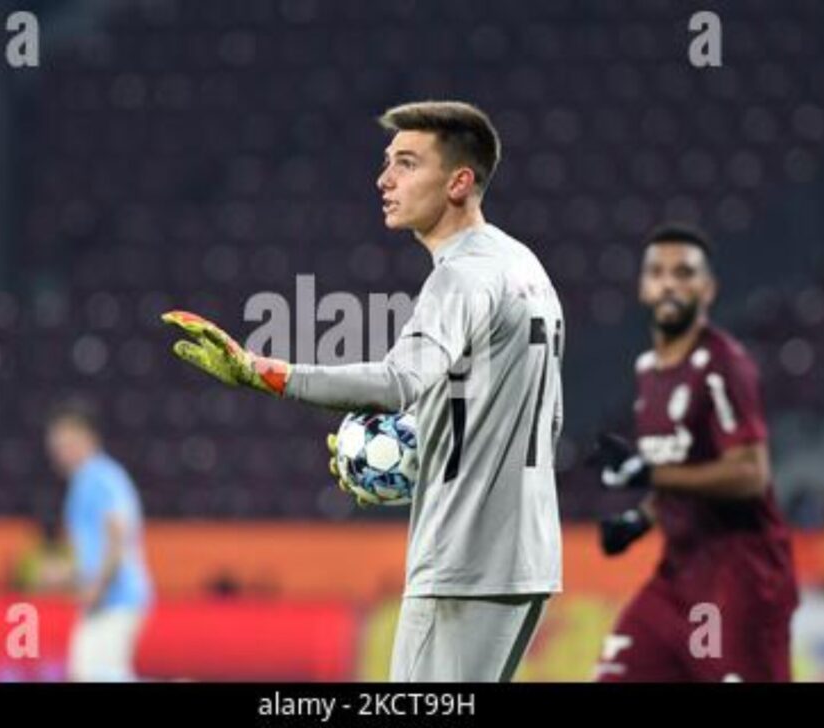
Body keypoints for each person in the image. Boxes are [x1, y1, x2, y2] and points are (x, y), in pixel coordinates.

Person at [162, 100, 564, 682]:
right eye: (387, 162)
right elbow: (535, 423)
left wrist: (264, 372)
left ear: (458, 181)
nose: (384, 179)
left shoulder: (462, 274)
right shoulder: (522, 266)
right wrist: (414, 461)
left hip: (465, 559)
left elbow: (400, 381)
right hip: (524, 555)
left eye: (406, 163)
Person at [588, 223, 799, 682]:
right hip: (678, 576)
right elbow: (683, 470)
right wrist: (640, 519)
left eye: (684, 273)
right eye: (658, 272)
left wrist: (650, 473)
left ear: (708, 289)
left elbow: (749, 474)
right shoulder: (648, 370)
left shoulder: (724, 364)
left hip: (740, 579)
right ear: (644, 287)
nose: (669, 283)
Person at [45, 399, 153, 682]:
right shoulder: (83, 482)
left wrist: (98, 586)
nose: (60, 454)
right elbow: (90, 552)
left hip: (115, 596)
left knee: (96, 675)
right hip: (101, 599)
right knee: (85, 675)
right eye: (56, 447)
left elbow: (118, 534)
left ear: (87, 439)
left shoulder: (100, 476)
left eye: (66, 444)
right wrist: (67, 576)